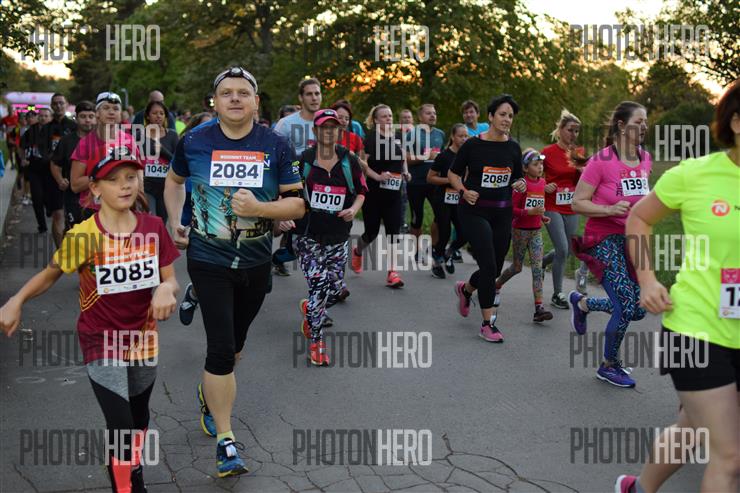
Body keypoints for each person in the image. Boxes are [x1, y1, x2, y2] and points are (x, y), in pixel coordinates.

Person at [0, 152, 179, 492]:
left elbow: (170, 278)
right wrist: (16, 300)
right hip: (101, 340)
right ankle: (125, 487)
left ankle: (132, 466)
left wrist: (165, 290)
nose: (124, 186)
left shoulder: (153, 227)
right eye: (113, 180)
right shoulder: (83, 236)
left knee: (139, 416)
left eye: (130, 177)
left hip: (144, 339)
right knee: (121, 423)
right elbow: (50, 274)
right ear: (95, 189)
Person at [163, 66, 304, 477]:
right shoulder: (194, 141)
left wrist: (260, 208)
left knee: (236, 346)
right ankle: (226, 442)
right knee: (221, 348)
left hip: (256, 263)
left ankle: (210, 392)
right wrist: (174, 218)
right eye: (227, 93)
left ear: (256, 101)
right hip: (208, 260)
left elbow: (297, 204)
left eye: (244, 92)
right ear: (215, 101)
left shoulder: (276, 145)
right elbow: (173, 181)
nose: (236, 98)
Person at [615, 80, 740, 493]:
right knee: (730, 456)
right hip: (696, 328)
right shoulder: (696, 174)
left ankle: (638, 489)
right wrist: (647, 280)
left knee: (692, 425)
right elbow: (639, 218)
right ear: (736, 123)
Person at [569, 101, 651, 388]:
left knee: (638, 308)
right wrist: (609, 209)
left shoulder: (645, 158)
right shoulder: (601, 161)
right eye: (638, 122)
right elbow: (577, 202)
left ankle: (583, 303)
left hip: (632, 240)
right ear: (621, 125)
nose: (644, 126)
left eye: (646, 122)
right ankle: (608, 365)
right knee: (626, 304)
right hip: (603, 238)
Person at [449, 94, 527, 343]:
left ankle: (466, 289)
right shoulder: (473, 145)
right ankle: (487, 323)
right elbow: (453, 174)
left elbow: (517, 177)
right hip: (474, 211)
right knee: (489, 266)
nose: (507, 119)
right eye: (502, 114)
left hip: (502, 212)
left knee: (492, 268)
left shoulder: (513, 147)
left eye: (510, 116)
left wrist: (521, 183)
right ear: (491, 117)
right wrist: (463, 191)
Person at [294, 109, 367, 365]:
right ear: (315, 131)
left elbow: (361, 191)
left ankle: (311, 309)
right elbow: (288, 190)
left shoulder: (349, 160)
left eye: (333, 127)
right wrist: (285, 215)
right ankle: (316, 342)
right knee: (319, 284)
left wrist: (353, 209)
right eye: (324, 127)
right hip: (307, 233)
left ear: (339, 131)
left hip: (337, 235)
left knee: (334, 289)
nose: (329, 131)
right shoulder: (303, 160)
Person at [351, 104, 410, 288]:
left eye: (390, 115)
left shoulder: (398, 136)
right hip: (374, 192)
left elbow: (402, 157)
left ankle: (392, 272)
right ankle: (358, 251)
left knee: (394, 232)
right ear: (376, 120)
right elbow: (362, 163)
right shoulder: (370, 139)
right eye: (384, 116)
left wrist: (406, 172)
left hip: (394, 193)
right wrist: (377, 176)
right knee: (372, 232)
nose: (388, 119)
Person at [494, 149, 553, 322]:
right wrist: (529, 212)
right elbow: (511, 210)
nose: (540, 167)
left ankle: (539, 308)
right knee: (517, 267)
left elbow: (537, 206)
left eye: (541, 164)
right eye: (535, 164)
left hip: (536, 231)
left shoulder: (542, 183)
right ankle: (496, 285)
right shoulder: (521, 186)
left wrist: (542, 216)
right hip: (520, 231)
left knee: (537, 268)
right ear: (525, 168)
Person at [272, 78, 323, 276]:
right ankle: (272, 259)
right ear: (301, 98)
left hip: (320, 185)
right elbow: (273, 155)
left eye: (317, 93)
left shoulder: (327, 121)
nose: (314, 98)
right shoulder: (286, 124)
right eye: (309, 94)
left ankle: (328, 278)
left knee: (315, 232)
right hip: (292, 183)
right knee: (285, 229)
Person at [541, 109, 590, 309]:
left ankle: (543, 262)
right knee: (562, 248)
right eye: (570, 130)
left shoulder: (578, 153)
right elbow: (533, 175)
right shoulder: (547, 152)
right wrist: (544, 185)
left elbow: (585, 181)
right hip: (551, 205)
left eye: (577, 131)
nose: (573, 134)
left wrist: (582, 171)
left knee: (569, 250)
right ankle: (557, 294)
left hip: (571, 206)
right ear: (560, 130)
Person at [71, 92, 143, 220]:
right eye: (106, 108)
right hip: (93, 209)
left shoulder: (129, 140)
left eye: (116, 109)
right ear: (97, 113)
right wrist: (103, 171)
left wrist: (140, 201)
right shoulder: (85, 144)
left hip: (123, 208)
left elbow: (138, 175)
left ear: (120, 114)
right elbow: (75, 185)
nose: (111, 112)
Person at [177, 112, 215, 326]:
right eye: (203, 126)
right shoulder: (188, 149)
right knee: (207, 270)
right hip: (195, 219)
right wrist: (180, 225)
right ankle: (194, 293)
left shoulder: (228, 149)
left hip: (228, 221)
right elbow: (177, 186)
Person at [427, 123, 468, 279]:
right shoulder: (443, 156)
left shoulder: (466, 156)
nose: (464, 139)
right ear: (452, 137)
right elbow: (430, 178)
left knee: (464, 233)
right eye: (460, 136)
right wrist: (450, 180)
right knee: (444, 233)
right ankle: (436, 262)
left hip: (459, 199)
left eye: (466, 136)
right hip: (442, 199)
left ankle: (448, 253)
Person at [21, 107, 67, 244]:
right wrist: (23, 158)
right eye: (41, 116)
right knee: (37, 197)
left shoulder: (56, 130)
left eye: (46, 116)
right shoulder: (31, 131)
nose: (43, 118)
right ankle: (42, 225)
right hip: (35, 170)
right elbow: (21, 146)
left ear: (51, 117)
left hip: (51, 170)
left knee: (51, 199)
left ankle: (50, 208)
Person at [404, 104, 445, 252]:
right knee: (417, 219)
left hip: (435, 183)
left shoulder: (440, 134)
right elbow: (406, 159)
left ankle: (433, 248)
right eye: (428, 113)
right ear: (420, 117)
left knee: (441, 216)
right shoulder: (412, 134)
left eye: (434, 113)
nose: (433, 116)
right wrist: (427, 156)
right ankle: (417, 251)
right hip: (416, 183)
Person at [51, 100, 96, 230]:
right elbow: (55, 163)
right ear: (76, 118)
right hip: (73, 196)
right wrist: (60, 180)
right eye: (83, 116)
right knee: (74, 231)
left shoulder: (102, 140)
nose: (87, 120)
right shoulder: (66, 141)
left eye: (91, 116)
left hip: (97, 195)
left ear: (96, 118)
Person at [135, 100, 179, 221]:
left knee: (162, 221)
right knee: (151, 218)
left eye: (161, 113)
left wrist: (163, 151)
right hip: (146, 185)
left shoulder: (172, 136)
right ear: (148, 116)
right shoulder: (138, 135)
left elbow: (178, 162)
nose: (158, 116)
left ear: (165, 116)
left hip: (166, 186)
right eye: (154, 113)